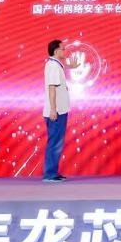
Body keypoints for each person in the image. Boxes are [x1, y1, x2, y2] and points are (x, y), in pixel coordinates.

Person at [43, 39, 81, 182]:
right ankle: (50, 174)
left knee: (56, 142)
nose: (65, 51)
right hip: (57, 111)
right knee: (55, 142)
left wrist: (71, 66)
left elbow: (61, 66)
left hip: (59, 110)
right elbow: (52, 88)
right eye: (63, 49)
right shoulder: (53, 66)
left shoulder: (54, 64)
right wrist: (53, 109)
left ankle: (52, 172)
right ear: (56, 51)